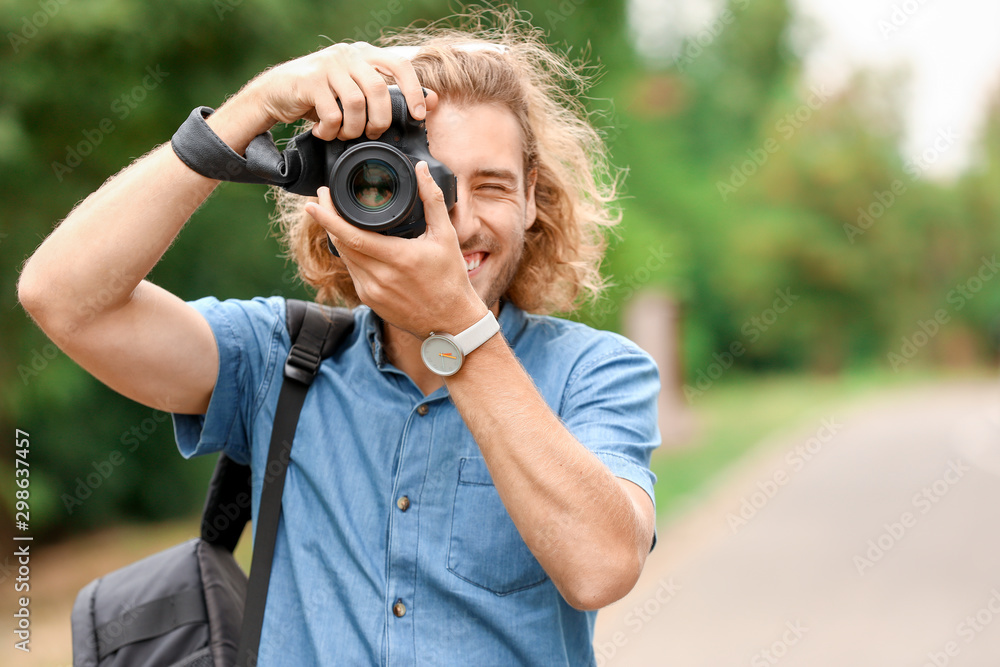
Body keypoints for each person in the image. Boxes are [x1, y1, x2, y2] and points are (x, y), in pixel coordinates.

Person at [18, 11, 660, 665]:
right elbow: (63, 297)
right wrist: (252, 108)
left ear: (533, 201)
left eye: (491, 186)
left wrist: (458, 331)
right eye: (418, 181)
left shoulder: (595, 371)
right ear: (349, 193)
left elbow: (602, 567)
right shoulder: (278, 359)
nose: (453, 218)